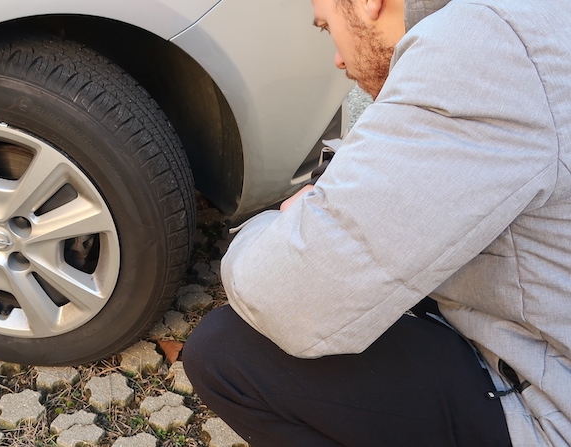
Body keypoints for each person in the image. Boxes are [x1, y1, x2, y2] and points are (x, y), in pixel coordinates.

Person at [184, 0, 571, 445]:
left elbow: (286, 295)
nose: (337, 57)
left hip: (552, 407)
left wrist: (270, 224)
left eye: (326, 25)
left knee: (225, 353)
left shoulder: (485, 45)